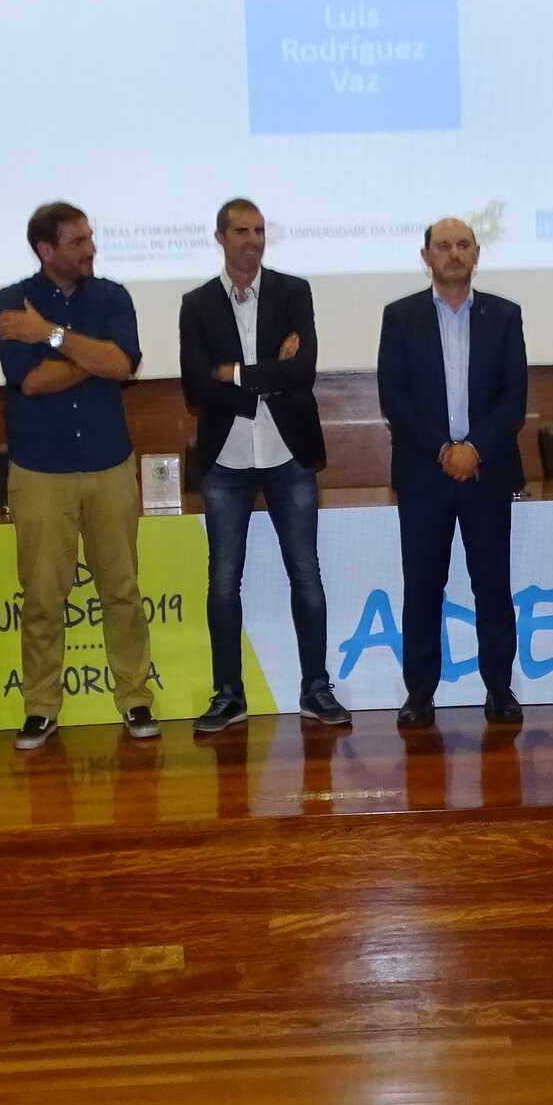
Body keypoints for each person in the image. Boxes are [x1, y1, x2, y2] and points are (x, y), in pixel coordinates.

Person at [179, 199, 347, 733]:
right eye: (241, 231)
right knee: (223, 583)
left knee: (307, 575)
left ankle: (315, 688)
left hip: (287, 453)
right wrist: (267, 374)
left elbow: (303, 371)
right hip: (226, 459)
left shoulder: (293, 292)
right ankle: (229, 695)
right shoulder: (196, 304)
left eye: (259, 230)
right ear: (220, 237)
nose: (253, 240)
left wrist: (235, 374)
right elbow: (196, 386)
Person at [0, 202, 158, 750]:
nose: (91, 250)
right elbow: (32, 381)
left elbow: (123, 365)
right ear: (46, 250)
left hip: (110, 463)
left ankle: (135, 698)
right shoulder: (11, 303)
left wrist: (51, 334)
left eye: (90, 238)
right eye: (78, 242)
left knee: (123, 591)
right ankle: (41, 707)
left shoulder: (112, 297)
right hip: (40, 470)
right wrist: (92, 357)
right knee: (43, 596)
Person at [377, 217, 530, 728]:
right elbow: (394, 398)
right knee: (423, 586)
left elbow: (513, 398)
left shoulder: (504, 315)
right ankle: (420, 693)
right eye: (443, 246)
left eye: (464, 245)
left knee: (492, 585)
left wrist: (474, 450)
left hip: (487, 472)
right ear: (426, 257)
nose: (454, 254)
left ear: (477, 253)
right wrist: (445, 449)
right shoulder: (400, 317)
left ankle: (499, 689)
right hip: (424, 472)